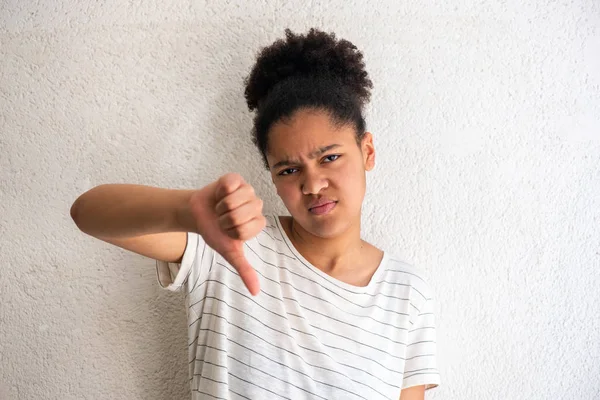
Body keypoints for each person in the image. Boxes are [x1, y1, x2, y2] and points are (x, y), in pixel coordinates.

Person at [70, 28, 440, 400]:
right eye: (288, 170)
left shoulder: (406, 293)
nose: (312, 185)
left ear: (368, 152)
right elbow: (87, 212)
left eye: (329, 158)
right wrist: (187, 210)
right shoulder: (229, 241)